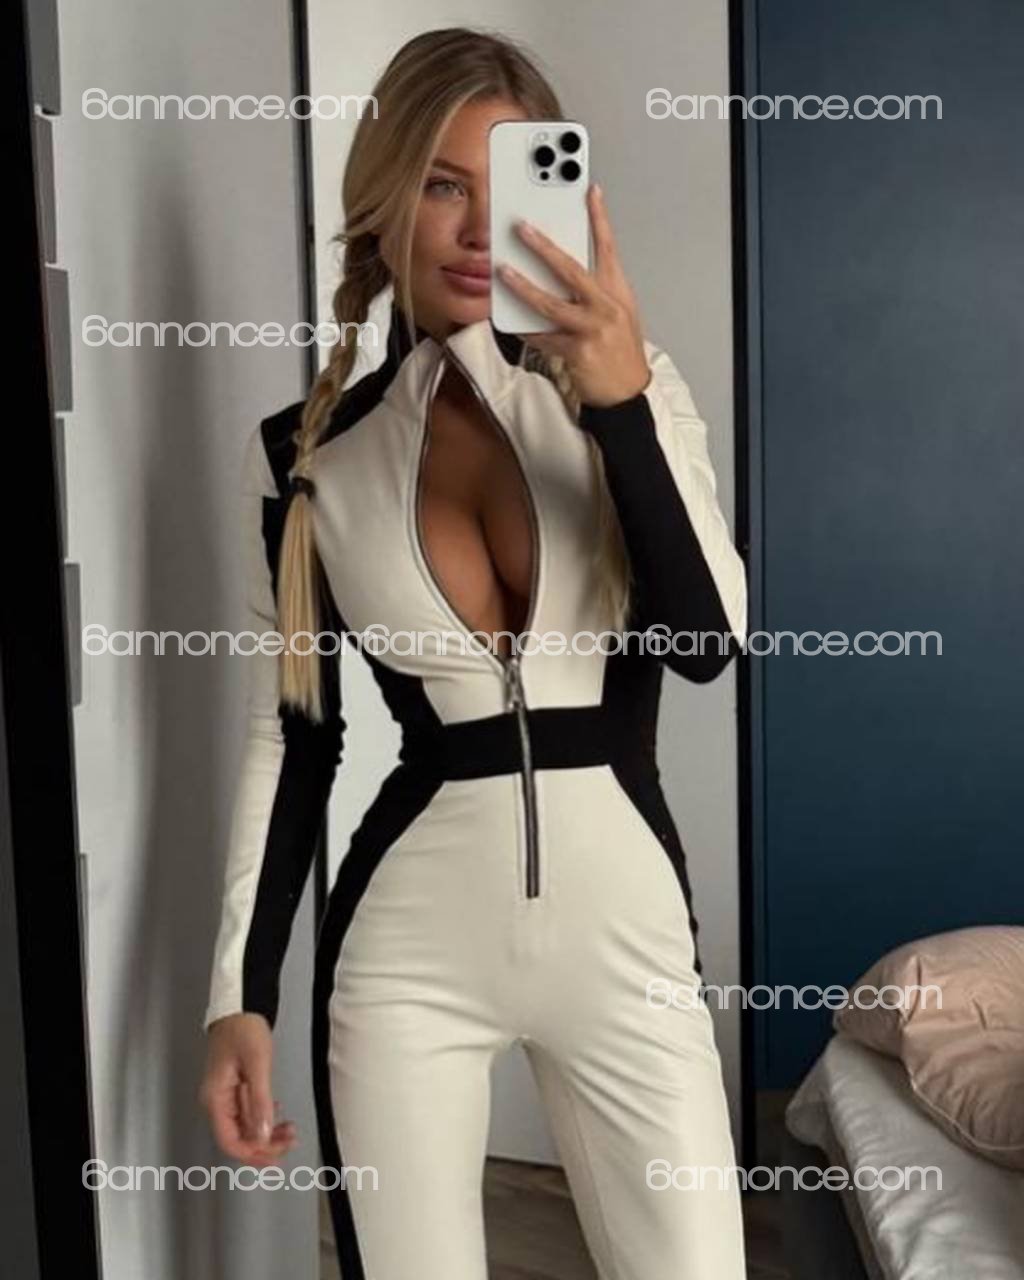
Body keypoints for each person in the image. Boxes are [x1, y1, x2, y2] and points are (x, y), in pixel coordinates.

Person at [198, 25, 748, 1280]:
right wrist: (241, 992)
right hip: (403, 954)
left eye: (508, 188)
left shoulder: (629, 388)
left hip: (626, 942)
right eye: (443, 183)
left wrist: (616, 400)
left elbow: (705, 641)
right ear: (384, 192)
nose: (473, 227)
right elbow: (294, 734)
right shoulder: (305, 456)